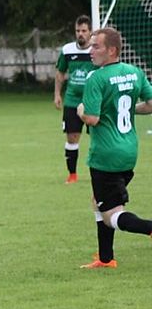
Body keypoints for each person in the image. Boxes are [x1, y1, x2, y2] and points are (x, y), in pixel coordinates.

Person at [75, 27, 152, 269]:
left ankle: (149, 228)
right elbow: (150, 104)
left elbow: (92, 118)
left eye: (96, 46)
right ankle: (106, 258)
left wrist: (80, 110)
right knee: (98, 200)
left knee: (111, 216)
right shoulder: (134, 72)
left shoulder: (96, 78)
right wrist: (129, 109)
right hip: (129, 151)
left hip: (106, 155)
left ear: (112, 50)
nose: (91, 50)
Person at [54, 15, 94, 184]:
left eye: (84, 30)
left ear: (90, 31)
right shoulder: (67, 50)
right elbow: (60, 72)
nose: (80, 34)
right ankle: (72, 175)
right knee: (72, 138)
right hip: (71, 101)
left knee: (98, 138)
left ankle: (97, 174)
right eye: (78, 31)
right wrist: (57, 94)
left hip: (92, 101)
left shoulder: (96, 50)